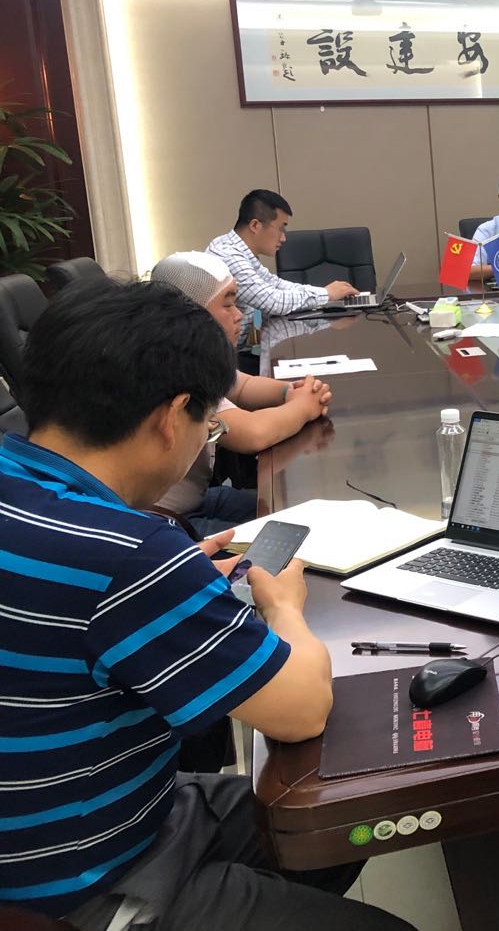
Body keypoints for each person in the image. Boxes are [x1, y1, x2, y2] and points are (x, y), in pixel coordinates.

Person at [0, 280, 410, 930]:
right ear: (171, 418)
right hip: (80, 880)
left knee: (330, 824)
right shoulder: (131, 556)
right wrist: (283, 604)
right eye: (209, 425)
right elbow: (302, 710)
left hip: (85, 814)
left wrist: (176, 577)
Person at [149, 252, 333, 536]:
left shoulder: (195, 355)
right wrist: (303, 407)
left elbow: (241, 385)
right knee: (289, 540)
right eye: (228, 304)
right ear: (191, 314)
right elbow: (253, 434)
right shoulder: (178, 368)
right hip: (168, 522)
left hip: (199, 500)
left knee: (297, 518)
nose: (239, 315)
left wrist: (289, 391)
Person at [207, 189, 359, 322]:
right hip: (237, 346)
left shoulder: (238, 249)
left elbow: (276, 285)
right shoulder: (229, 255)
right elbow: (273, 302)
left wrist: (325, 293)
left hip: (251, 338)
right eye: (281, 229)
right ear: (255, 226)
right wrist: (326, 294)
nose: (283, 238)